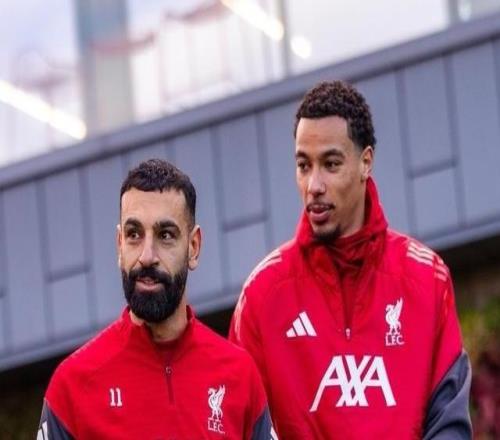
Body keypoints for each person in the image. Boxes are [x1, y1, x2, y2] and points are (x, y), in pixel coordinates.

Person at [229, 81, 472, 439]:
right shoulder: (262, 295)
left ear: (365, 162)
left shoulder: (427, 278)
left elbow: (449, 425)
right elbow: (237, 425)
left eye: (330, 164)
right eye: (303, 165)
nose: (314, 185)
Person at [38, 159, 274, 439]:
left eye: (165, 235)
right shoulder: (71, 388)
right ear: (119, 245)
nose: (147, 256)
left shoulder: (241, 377)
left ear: (194, 247)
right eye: (134, 234)